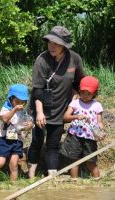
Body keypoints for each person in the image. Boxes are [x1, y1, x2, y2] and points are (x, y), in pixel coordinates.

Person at [28, 26, 85, 178]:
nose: (51, 46)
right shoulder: (42, 59)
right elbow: (37, 89)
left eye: (56, 43)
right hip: (40, 107)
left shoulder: (74, 59)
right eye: (49, 42)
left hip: (60, 108)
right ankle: (31, 175)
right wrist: (39, 112)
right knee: (37, 141)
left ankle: (52, 175)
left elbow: (79, 82)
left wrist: (76, 95)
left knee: (53, 144)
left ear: (64, 45)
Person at [0, 84, 33, 182]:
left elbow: (29, 122)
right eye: (17, 102)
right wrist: (14, 109)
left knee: (14, 164)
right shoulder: (6, 108)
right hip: (4, 139)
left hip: (17, 139)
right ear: (10, 99)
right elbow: (5, 119)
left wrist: (30, 125)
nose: (20, 104)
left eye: (23, 102)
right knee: (0, 162)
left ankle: (13, 184)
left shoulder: (23, 111)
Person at [61, 76, 105, 179]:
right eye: (83, 92)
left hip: (90, 138)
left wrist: (101, 132)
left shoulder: (97, 105)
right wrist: (76, 116)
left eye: (89, 93)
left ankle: (97, 181)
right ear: (79, 91)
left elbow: (99, 122)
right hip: (75, 136)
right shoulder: (75, 103)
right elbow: (65, 117)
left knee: (91, 162)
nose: (85, 95)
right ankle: (75, 182)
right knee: (74, 161)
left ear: (94, 93)